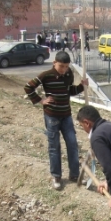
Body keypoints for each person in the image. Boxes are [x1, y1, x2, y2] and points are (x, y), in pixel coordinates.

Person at [24, 51, 88, 190]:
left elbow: (69, 91)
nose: (64, 69)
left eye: (66, 66)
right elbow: (28, 87)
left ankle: (74, 175)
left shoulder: (68, 74)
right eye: (61, 66)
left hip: (66, 116)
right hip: (52, 116)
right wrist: (41, 100)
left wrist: (82, 86)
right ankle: (56, 176)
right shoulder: (46, 75)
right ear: (54, 63)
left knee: (72, 144)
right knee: (54, 147)